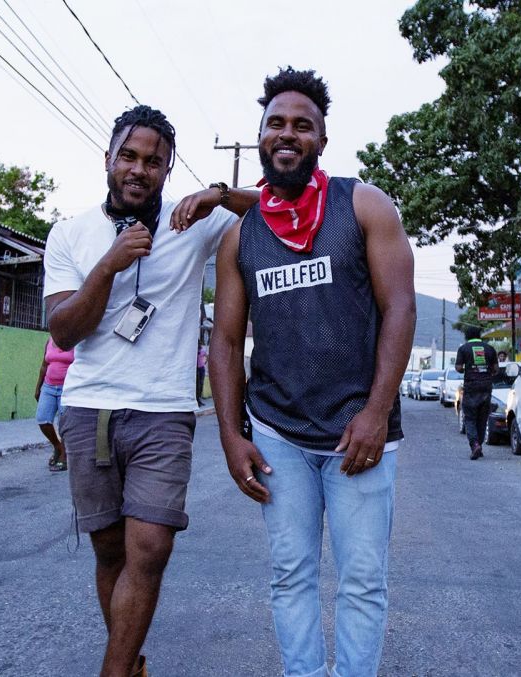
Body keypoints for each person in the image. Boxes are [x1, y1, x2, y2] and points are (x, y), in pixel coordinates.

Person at [209, 67, 416, 677]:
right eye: (276, 123)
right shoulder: (241, 235)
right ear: (261, 136)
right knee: (291, 576)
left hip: (359, 433)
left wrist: (377, 412)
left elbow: (400, 308)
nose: (288, 133)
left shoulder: (364, 205)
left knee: (362, 581)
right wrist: (231, 434)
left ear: (322, 139)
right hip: (277, 433)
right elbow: (223, 340)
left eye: (303, 124)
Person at [42, 104, 256, 677]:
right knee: (110, 551)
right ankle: (130, 664)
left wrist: (217, 194)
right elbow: (63, 329)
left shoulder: (194, 224)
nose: (140, 169)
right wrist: (108, 267)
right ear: (108, 159)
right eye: (129, 157)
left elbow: (279, 206)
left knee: (152, 546)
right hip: (88, 407)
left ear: (167, 170)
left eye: (154, 162)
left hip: (163, 410)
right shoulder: (69, 232)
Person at [455, 325, 498, 460]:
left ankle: (474, 445)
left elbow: (458, 367)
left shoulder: (463, 349)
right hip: (486, 387)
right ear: (479, 336)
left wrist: (467, 369)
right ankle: (479, 445)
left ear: (467, 336)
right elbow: (496, 369)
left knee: (470, 418)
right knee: (482, 418)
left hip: (471, 387)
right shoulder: (490, 349)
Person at [35, 336, 74, 471]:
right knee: (42, 419)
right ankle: (57, 446)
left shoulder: (75, 340)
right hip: (48, 386)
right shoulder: (49, 341)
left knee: (64, 423)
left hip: (67, 387)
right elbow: (44, 365)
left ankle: (65, 455)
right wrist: (38, 387)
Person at [195, 341, 208, 407]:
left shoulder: (202, 350)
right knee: (197, 385)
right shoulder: (194, 351)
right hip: (196, 369)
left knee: (201, 384)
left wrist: (204, 362)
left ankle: (199, 399)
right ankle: (197, 400)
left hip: (201, 368)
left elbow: (207, 356)